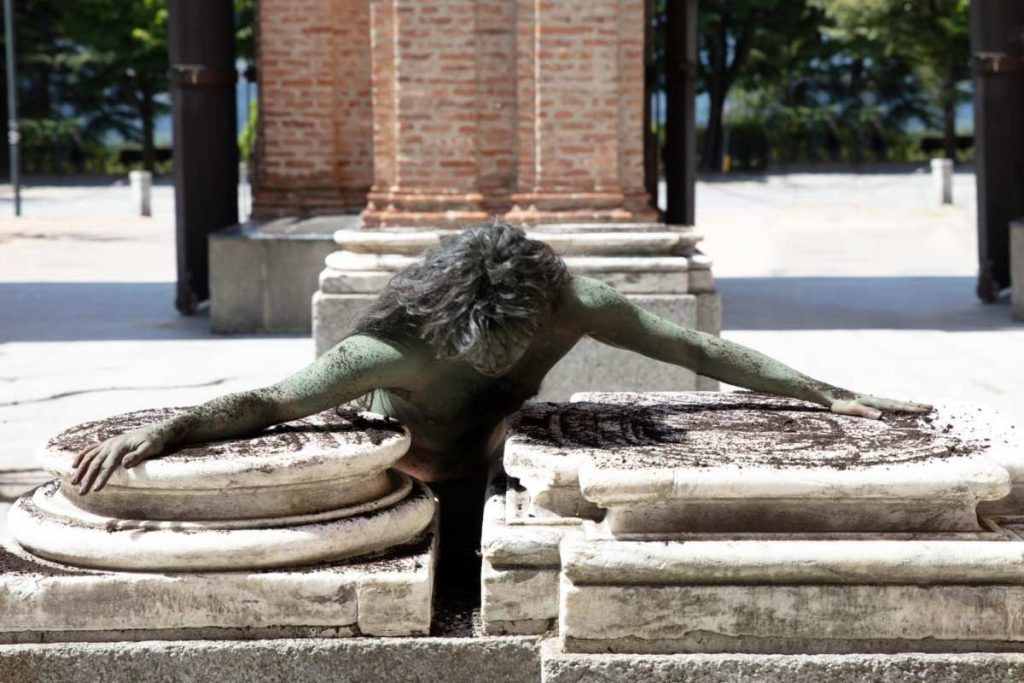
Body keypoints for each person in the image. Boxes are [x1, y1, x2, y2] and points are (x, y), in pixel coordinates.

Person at [74, 222, 929, 495]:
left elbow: (692, 345)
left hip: (494, 464)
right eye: (479, 342)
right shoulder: (389, 349)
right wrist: (168, 428)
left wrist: (830, 393)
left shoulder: (579, 303)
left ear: (544, 308)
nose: (498, 355)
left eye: (513, 339)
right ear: (446, 321)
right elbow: (270, 401)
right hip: (405, 475)